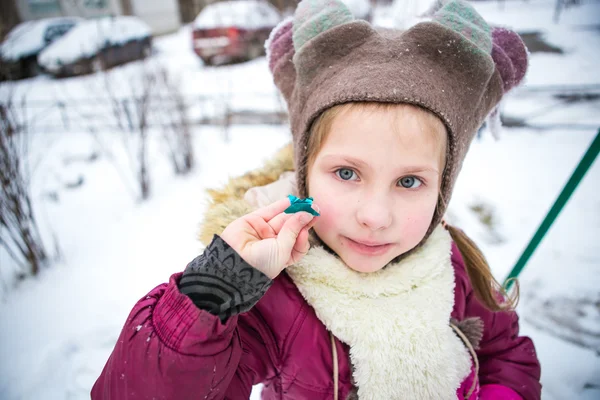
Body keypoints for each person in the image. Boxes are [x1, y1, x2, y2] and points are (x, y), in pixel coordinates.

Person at [92, 0, 541, 399]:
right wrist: (216, 290)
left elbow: (504, 352)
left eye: (408, 182)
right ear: (305, 175)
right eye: (347, 173)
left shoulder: (451, 263)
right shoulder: (278, 292)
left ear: (442, 189)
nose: (375, 216)